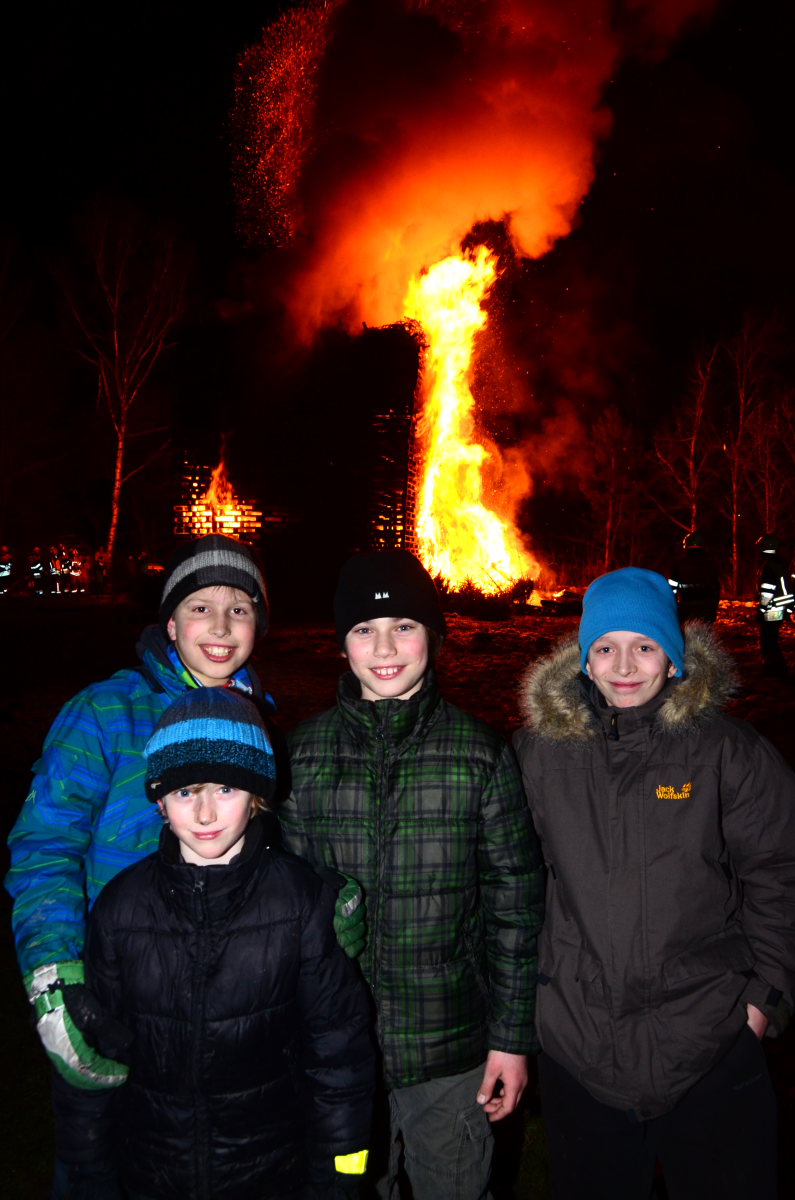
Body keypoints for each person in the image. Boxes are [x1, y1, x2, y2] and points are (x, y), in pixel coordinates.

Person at [514, 566, 795, 1200]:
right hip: (580, 1046)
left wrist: (763, 1002)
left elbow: (781, 870)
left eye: (644, 645)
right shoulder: (538, 755)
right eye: (605, 647)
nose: (624, 665)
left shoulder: (727, 752)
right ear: (584, 661)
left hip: (710, 1038)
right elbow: (509, 880)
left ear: (673, 657)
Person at [5, 534, 274, 1193]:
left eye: (239, 609)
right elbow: (46, 844)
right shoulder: (105, 712)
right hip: (115, 992)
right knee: (102, 1168)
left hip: (222, 1006)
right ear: (170, 624)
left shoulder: (258, 719)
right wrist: (55, 975)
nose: (220, 626)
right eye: (200, 607)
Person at [280, 549, 544, 1199]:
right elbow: (282, 911)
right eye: (364, 629)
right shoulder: (301, 756)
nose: (384, 647)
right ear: (341, 644)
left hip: (451, 1053)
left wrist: (511, 1040)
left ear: (434, 635)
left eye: (404, 626)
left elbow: (515, 906)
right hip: (337, 1056)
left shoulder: (480, 753)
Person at [75, 686, 375, 1199]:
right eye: (185, 792)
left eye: (226, 789)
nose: (205, 814)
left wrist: (343, 1176)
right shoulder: (120, 907)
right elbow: (95, 1059)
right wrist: (90, 1170)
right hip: (151, 1170)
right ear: (160, 801)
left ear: (258, 796)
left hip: (273, 1170)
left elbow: (338, 1056)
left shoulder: (301, 902)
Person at [756, 533, 794, 678]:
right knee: (771, 639)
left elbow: (767, 591)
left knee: (768, 640)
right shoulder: (780, 564)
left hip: (772, 609)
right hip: (781, 608)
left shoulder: (768, 566)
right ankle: (776, 669)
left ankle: (776, 670)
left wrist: (761, 609)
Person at [667, 529, 720, 624]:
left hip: (685, 611)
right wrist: (713, 610)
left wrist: (674, 608)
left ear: (686, 545)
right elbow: (716, 589)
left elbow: (672, 589)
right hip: (706, 611)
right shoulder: (711, 564)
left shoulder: (679, 565)